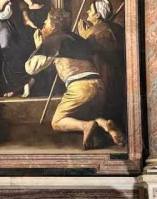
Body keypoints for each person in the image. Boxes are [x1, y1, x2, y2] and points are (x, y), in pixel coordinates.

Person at [25, 8, 126, 149]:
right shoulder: (77, 39)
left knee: (57, 122)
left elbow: (31, 68)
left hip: (80, 88)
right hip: (99, 85)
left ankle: (86, 126)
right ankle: (106, 125)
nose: (44, 23)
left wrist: (40, 47)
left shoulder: (54, 40)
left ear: (53, 26)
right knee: (85, 113)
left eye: (46, 21)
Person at [78, 0, 125, 123]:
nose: (87, 12)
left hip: (103, 79)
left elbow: (84, 52)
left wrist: (83, 36)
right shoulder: (118, 28)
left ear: (97, 15)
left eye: (90, 10)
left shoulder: (93, 32)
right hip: (121, 81)